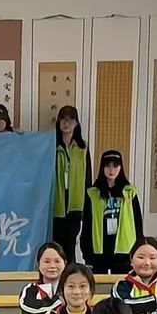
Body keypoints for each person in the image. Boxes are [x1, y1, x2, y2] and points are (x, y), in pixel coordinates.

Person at [81, 149, 143, 274]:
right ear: (102, 168)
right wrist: (87, 253)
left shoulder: (129, 192)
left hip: (124, 250)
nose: (111, 170)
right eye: (107, 166)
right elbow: (87, 224)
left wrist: (139, 249)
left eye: (115, 166)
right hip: (100, 249)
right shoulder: (93, 193)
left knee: (123, 282)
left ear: (120, 168)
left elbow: (137, 223)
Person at [52, 105, 89, 253]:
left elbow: (88, 177)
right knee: (56, 247)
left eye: (70, 119)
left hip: (75, 205)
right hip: (56, 205)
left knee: (70, 245)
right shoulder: (52, 146)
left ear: (76, 123)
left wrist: (87, 205)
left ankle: (70, 268)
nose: (66, 123)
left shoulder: (82, 147)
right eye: (63, 119)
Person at [111, 238, 157, 314]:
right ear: (131, 260)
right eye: (141, 257)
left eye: (152, 258)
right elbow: (123, 306)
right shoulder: (121, 286)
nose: (147, 263)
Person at [18, 241, 67, 314]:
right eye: (47, 261)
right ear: (38, 264)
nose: (52, 266)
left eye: (57, 261)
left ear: (64, 263)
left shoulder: (70, 287)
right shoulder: (30, 289)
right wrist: (58, 302)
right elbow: (28, 309)